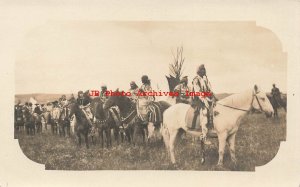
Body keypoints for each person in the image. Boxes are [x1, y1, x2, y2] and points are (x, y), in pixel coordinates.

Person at [192, 64, 216, 144]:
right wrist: (205, 100)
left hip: (207, 98)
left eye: (204, 70)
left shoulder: (205, 79)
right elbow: (198, 92)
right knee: (204, 112)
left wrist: (212, 96)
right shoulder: (196, 80)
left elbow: (210, 89)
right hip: (198, 99)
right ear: (199, 71)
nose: (204, 71)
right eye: (202, 70)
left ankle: (213, 128)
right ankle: (204, 136)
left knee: (215, 109)